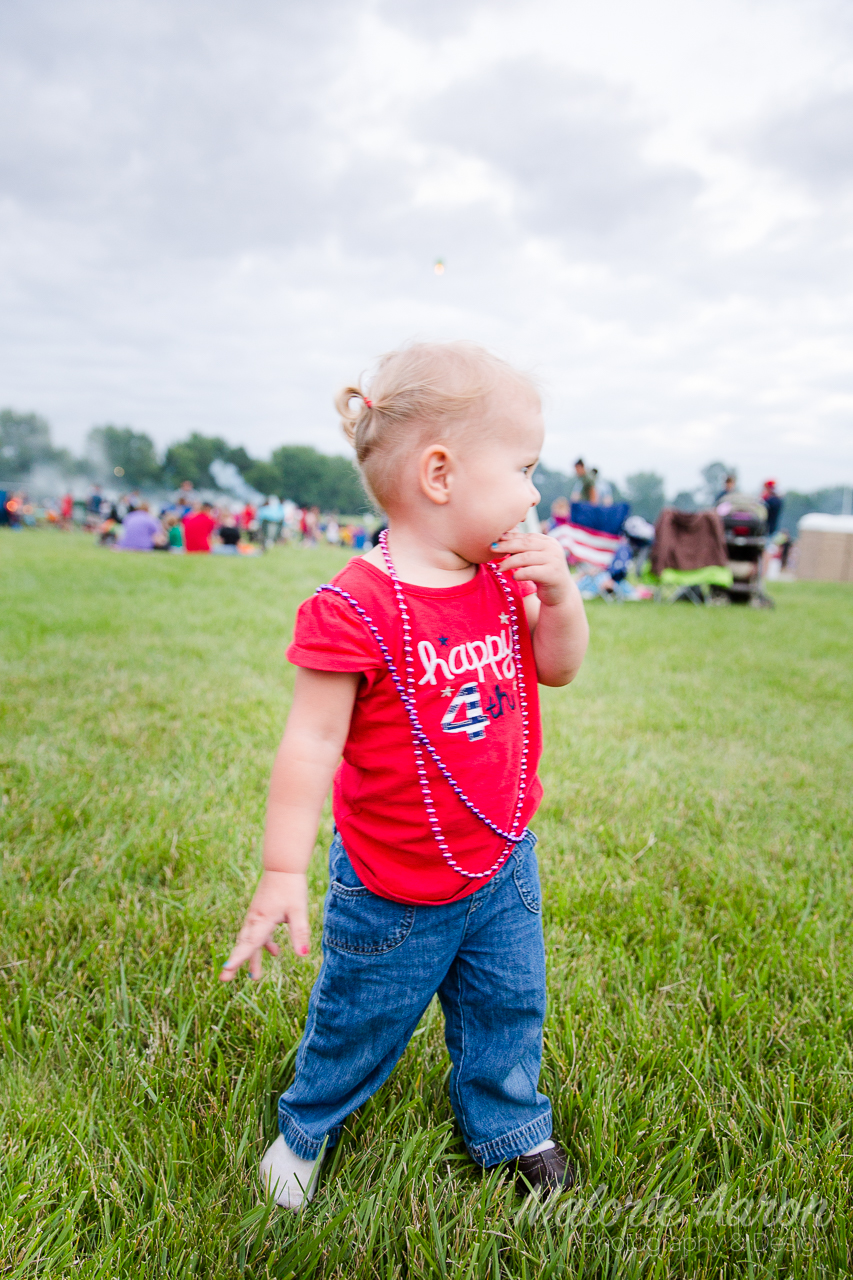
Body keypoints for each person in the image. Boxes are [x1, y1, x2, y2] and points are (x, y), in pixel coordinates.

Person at [220, 341, 589, 1209]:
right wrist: (282, 870)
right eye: (525, 468)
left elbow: (558, 669)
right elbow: (309, 745)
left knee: (508, 1006)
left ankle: (510, 1125)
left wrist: (563, 599)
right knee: (359, 1019)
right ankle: (306, 1128)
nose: (537, 493)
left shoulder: (504, 580)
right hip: (391, 883)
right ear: (439, 474)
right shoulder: (354, 605)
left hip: (500, 862)